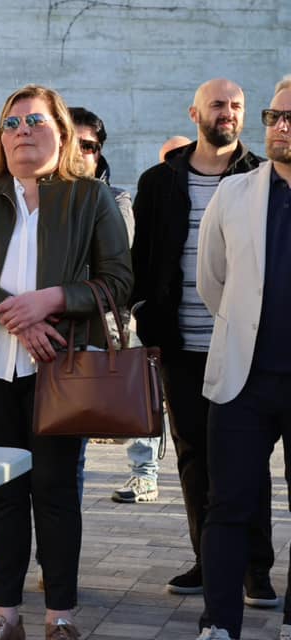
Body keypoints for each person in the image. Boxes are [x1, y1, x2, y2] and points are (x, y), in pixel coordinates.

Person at [0, 84, 132, 640]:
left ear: (62, 132)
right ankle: (6, 613)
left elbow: (118, 281)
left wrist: (50, 300)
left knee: (55, 489)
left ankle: (59, 615)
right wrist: (13, 314)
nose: (23, 131)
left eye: (35, 121)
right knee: (1, 492)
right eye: (12, 123)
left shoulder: (90, 198)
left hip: (60, 365)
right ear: (1, 138)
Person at [131, 78, 277, 604]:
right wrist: (146, 322)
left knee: (247, 459)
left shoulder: (262, 177)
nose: (228, 113)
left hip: (245, 346)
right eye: (218, 104)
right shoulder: (159, 181)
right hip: (180, 346)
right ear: (194, 113)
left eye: (237, 105)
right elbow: (142, 259)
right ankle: (209, 560)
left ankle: (255, 568)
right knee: (193, 457)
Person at [193, 80, 291, 640]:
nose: (281, 126)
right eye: (274, 116)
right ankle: (219, 625)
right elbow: (213, 281)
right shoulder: (234, 193)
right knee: (227, 506)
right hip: (242, 379)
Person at [67, 106, 158, 504]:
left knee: (76, 444)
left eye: (88, 145)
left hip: (98, 327)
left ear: (99, 152)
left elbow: (115, 260)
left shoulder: (115, 198)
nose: (79, 152)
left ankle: (145, 474)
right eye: (70, 142)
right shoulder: (36, 196)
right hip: (46, 334)